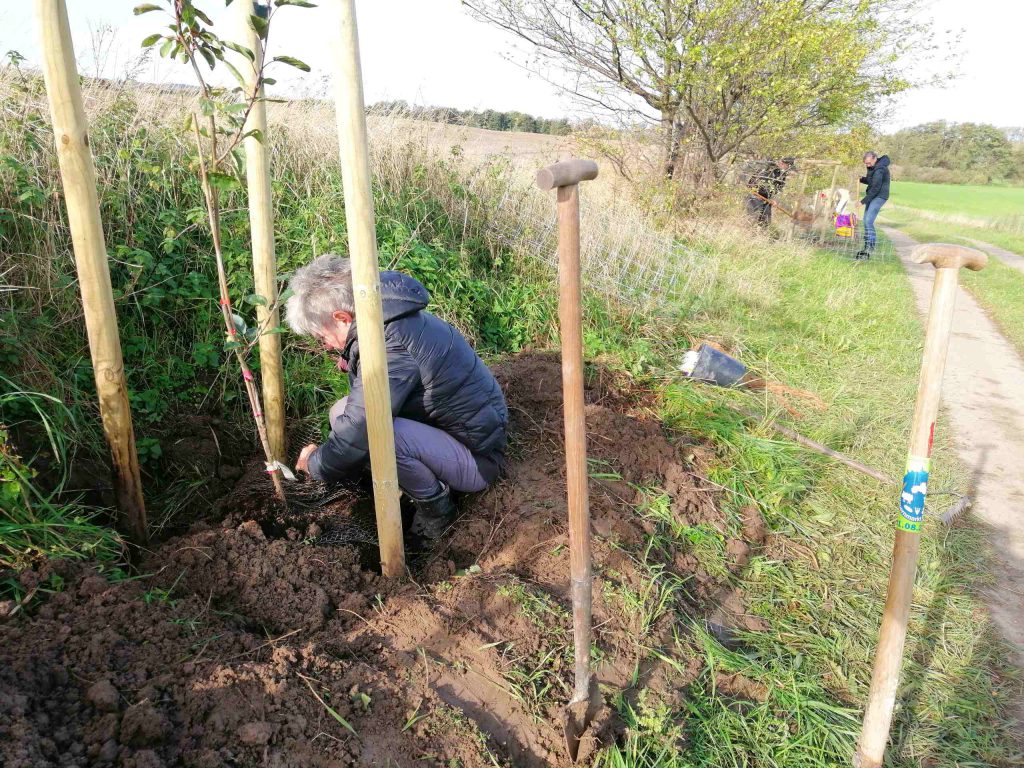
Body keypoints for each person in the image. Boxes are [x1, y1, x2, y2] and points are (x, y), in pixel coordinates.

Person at [287, 255, 508, 541]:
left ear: (342, 318)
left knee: (378, 435)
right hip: (454, 435)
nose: (326, 345)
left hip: (478, 461)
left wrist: (316, 464)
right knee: (340, 412)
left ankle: (436, 508)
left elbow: (363, 427)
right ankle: (392, 482)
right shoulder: (386, 319)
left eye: (322, 337)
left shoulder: (389, 345)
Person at [857, 151, 891, 260]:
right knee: (865, 220)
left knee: (868, 221)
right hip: (873, 195)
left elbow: (876, 188)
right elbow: (871, 181)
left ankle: (870, 247)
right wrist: (862, 179)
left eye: (869, 163)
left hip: (879, 196)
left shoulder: (880, 169)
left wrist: (862, 201)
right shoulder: (873, 167)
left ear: (874, 158)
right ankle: (867, 245)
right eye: (866, 163)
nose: (867, 165)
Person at [745, 157, 795, 227]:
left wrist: (774, 199)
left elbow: (778, 188)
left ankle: (761, 232)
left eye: (788, 167)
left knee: (766, 222)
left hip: (767, 200)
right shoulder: (768, 168)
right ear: (782, 163)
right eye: (786, 165)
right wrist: (756, 192)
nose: (787, 168)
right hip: (755, 196)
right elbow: (754, 182)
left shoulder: (782, 174)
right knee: (753, 218)